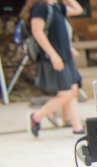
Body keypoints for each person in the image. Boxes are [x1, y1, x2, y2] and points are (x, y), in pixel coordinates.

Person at [22, 0, 84, 137]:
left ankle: (77, 126)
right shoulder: (40, 7)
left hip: (65, 55)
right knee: (66, 93)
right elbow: (38, 32)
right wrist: (53, 55)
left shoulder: (57, 7)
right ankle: (36, 117)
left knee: (73, 90)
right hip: (53, 57)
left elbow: (78, 10)